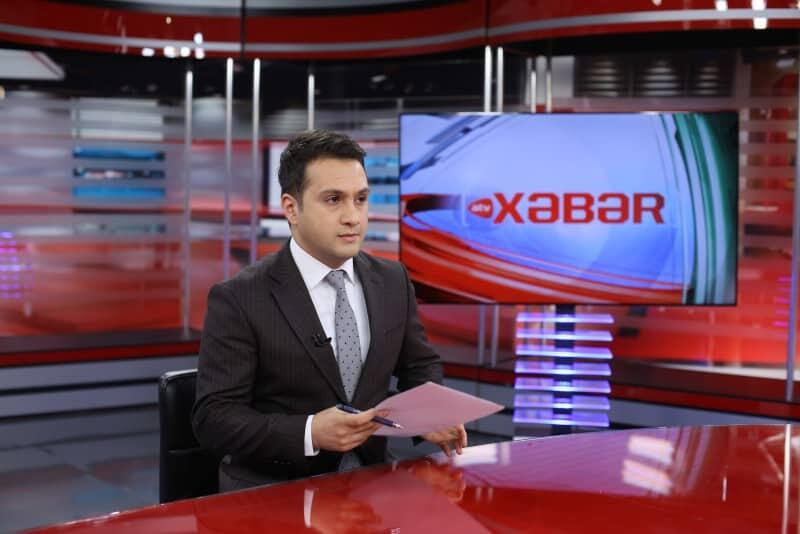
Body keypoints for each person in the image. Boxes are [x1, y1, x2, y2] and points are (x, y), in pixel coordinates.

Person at [192, 129, 467, 491]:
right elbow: (214, 419)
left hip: (370, 486)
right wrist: (310, 432)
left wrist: (428, 414)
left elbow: (419, 365)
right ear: (291, 208)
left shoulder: (393, 280)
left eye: (361, 199)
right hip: (275, 490)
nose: (353, 217)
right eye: (334, 200)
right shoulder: (240, 297)